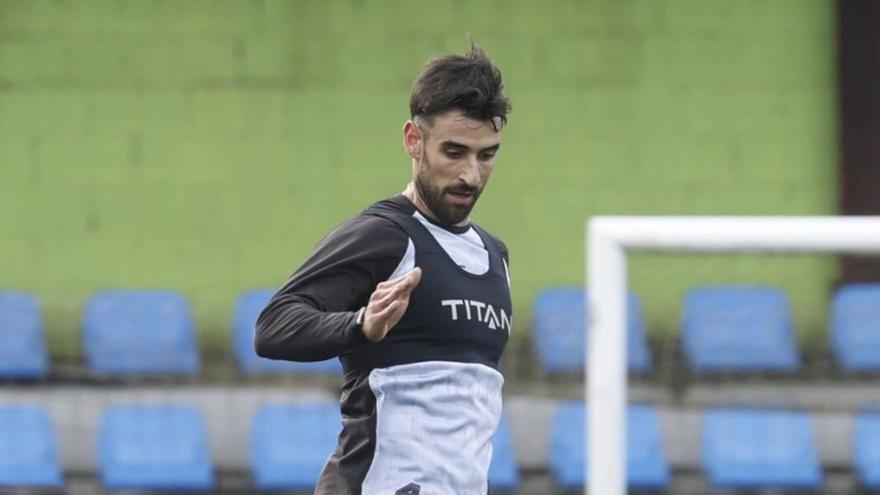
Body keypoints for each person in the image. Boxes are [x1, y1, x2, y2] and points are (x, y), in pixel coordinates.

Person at [254, 41, 512, 495]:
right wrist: (360, 325)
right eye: (454, 152)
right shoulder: (385, 235)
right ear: (415, 141)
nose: (471, 175)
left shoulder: (495, 256)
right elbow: (272, 326)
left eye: (486, 155)